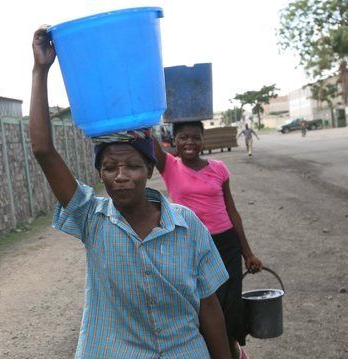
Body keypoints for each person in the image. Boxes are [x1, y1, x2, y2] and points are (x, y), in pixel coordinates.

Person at [29, 26, 231, 359]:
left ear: (150, 170)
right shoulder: (92, 219)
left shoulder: (188, 225)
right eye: (110, 168)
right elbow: (42, 149)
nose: (121, 176)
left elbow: (209, 306)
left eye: (132, 167)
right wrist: (41, 70)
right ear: (100, 174)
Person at [154, 121, 263, 359]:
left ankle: (233, 350)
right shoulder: (169, 165)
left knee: (230, 306)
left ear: (203, 140)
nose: (190, 142)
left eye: (195, 137)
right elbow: (148, 140)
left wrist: (248, 253)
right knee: (199, 305)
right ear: (175, 141)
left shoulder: (219, 168)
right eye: (183, 137)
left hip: (225, 243)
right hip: (189, 244)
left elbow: (232, 211)